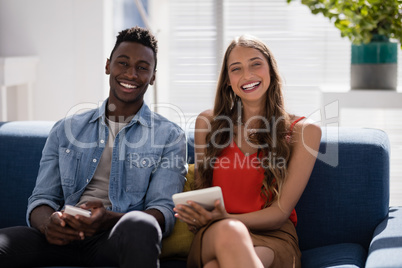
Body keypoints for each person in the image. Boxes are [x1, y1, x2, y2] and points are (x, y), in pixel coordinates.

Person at [0, 26, 187, 268]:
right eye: (123, 63)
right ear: (108, 65)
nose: (131, 74)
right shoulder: (66, 129)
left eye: (142, 68)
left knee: (142, 226)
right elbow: (42, 198)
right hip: (62, 236)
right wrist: (49, 225)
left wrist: (108, 220)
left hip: (116, 237)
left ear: (152, 77)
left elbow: (162, 211)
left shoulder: (169, 136)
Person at [174, 35, 321, 268]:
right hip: (217, 232)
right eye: (236, 69)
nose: (247, 75)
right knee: (230, 232)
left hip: (274, 238)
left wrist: (227, 218)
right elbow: (203, 194)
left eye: (256, 64)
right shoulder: (208, 122)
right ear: (227, 81)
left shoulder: (304, 132)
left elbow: (280, 213)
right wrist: (201, 215)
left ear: (271, 70)